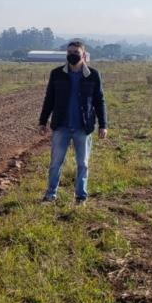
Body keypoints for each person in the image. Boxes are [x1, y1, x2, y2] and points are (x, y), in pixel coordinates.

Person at [39, 40, 108, 205]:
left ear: (84, 54)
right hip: (61, 126)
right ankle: (50, 196)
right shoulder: (57, 74)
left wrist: (103, 125)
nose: (72, 55)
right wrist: (43, 121)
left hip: (83, 128)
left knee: (83, 164)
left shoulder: (93, 75)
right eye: (69, 52)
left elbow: (100, 101)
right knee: (55, 163)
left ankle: (80, 197)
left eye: (76, 52)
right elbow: (49, 98)